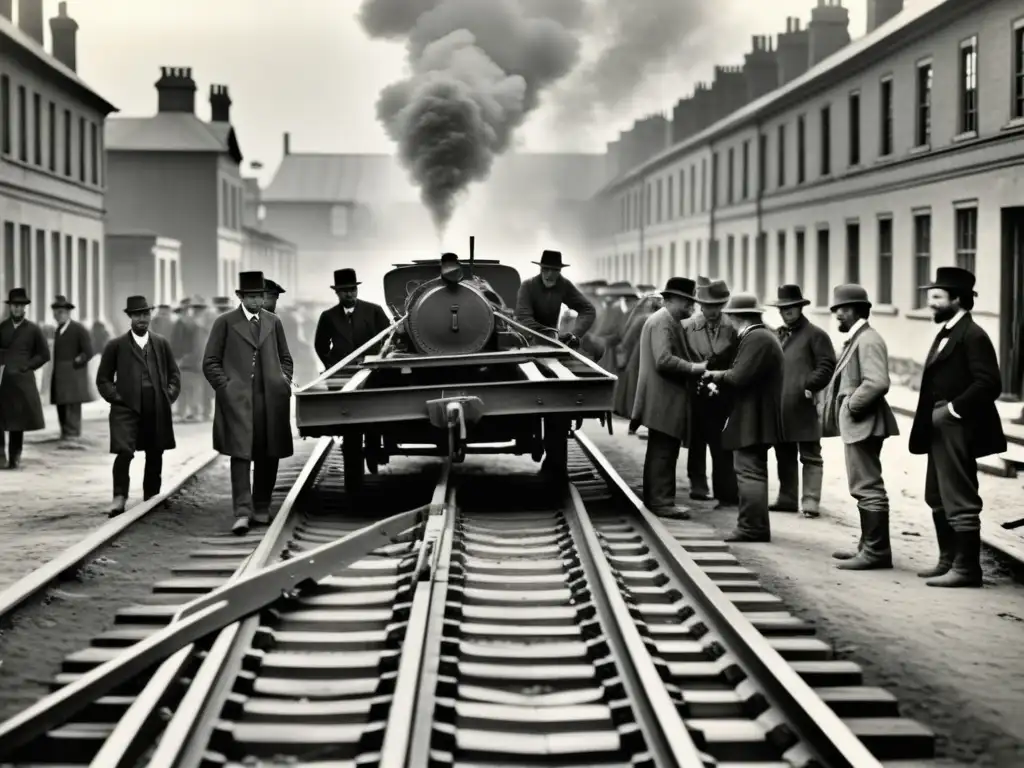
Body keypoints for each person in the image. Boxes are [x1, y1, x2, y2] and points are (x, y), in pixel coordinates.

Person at [909, 267, 1004, 588]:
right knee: (935, 495)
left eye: (936, 297)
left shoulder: (973, 334)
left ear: (958, 299)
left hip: (957, 428)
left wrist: (951, 410)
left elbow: (989, 383)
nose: (930, 304)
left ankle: (966, 569)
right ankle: (947, 561)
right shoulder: (948, 330)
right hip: (938, 428)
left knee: (959, 496)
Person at [203, 271, 294, 534]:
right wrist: (226, 387)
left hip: (270, 399)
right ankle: (242, 512)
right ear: (240, 297)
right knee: (241, 455)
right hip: (238, 400)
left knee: (269, 452)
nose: (256, 301)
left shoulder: (274, 322)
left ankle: (262, 505)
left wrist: (283, 381)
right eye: (251, 296)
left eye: (260, 296)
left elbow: (286, 358)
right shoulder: (225, 322)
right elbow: (210, 361)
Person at [819, 284, 900, 570]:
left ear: (857, 310)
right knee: (861, 484)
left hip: (863, 422)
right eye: (836, 309)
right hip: (859, 423)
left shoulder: (868, 340)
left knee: (867, 485)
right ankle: (868, 546)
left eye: (842, 309)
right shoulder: (858, 337)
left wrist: (852, 406)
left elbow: (877, 382)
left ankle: (876, 552)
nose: (837, 314)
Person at [701, 294, 784, 543]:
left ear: (738, 317)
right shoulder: (764, 336)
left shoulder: (756, 337)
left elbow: (739, 376)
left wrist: (715, 376)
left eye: (731, 317)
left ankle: (752, 528)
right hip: (758, 413)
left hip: (753, 414)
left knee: (749, 472)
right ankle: (755, 526)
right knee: (753, 470)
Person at [514, 250, 597, 478]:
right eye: (546, 270)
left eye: (555, 271)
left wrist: (575, 335)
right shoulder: (527, 286)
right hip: (529, 348)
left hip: (552, 352)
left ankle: (555, 467)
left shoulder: (563, 285)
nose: (550, 275)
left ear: (560, 272)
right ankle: (553, 465)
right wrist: (552, 333)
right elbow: (523, 319)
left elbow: (588, 310)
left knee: (558, 403)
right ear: (540, 269)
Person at [95, 295, 180, 516]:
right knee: (124, 452)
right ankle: (119, 496)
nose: (142, 319)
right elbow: (103, 378)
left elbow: (174, 374)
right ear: (130, 318)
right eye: (137, 315)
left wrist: (168, 395)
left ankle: (151, 498)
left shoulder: (160, 343)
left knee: (155, 452)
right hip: (126, 407)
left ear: (150, 315)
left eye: (145, 314)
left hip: (155, 405)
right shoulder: (116, 345)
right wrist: (116, 397)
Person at [632, 277, 704, 516]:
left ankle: (659, 499)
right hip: (664, 397)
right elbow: (664, 360)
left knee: (661, 449)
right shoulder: (664, 322)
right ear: (677, 299)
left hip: (662, 397)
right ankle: (661, 502)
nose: (692, 308)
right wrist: (695, 368)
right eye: (689, 302)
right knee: (663, 450)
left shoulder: (665, 320)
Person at [768, 284, 837, 517]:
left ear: (800, 307)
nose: (786, 312)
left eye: (791, 307)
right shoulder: (776, 334)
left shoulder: (816, 335)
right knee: (783, 453)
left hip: (805, 406)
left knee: (810, 455)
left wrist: (809, 385)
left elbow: (827, 365)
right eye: (782, 308)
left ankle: (810, 502)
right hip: (781, 407)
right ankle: (786, 498)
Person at [681, 279, 739, 507]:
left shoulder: (733, 327)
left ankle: (724, 488)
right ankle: (697, 484)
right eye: (706, 305)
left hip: (723, 391)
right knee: (696, 439)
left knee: (721, 442)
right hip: (694, 390)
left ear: (723, 305)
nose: (711, 310)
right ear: (699, 305)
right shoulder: (686, 327)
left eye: (716, 306)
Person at [0, 288, 50, 469]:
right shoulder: (2, 328)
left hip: (22, 381)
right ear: (10, 307)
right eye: (14, 306)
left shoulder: (33, 330)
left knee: (17, 420)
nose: (17, 309)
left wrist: (28, 366)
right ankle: (0, 456)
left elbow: (44, 354)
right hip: (3, 380)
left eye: (20, 306)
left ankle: (15, 456)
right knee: (0, 419)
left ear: (25, 308)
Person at [314, 268, 392, 372]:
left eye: (353, 289)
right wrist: (331, 366)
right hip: (341, 371)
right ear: (337, 292)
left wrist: (380, 361)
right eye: (345, 291)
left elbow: (389, 338)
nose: (349, 294)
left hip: (371, 370)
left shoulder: (374, 311)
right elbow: (320, 345)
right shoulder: (328, 316)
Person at [612, 292, 663, 431]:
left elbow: (627, 339)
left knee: (634, 386)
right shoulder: (663, 320)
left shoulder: (641, 319)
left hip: (638, 355)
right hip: (656, 356)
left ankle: (631, 414)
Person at [49, 295, 94, 442]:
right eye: (55, 312)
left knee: (72, 405)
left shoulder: (78, 329)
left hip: (74, 374)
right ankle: (65, 432)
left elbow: (88, 352)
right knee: (61, 404)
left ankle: (73, 433)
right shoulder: (58, 330)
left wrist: (77, 361)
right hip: (60, 375)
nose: (58, 315)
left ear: (68, 313)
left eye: (61, 312)